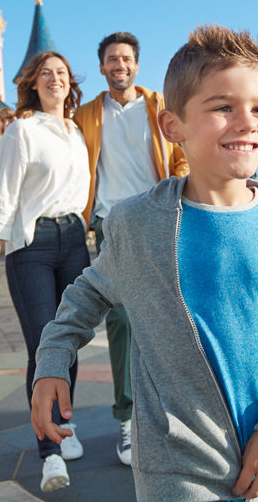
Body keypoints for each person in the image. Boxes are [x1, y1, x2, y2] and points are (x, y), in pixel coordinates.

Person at [31, 25, 258, 501]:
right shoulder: (138, 224)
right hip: (172, 463)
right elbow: (88, 291)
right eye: (223, 107)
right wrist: (53, 358)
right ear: (172, 127)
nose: (246, 122)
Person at [72, 31, 188, 465]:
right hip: (111, 223)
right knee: (120, 319)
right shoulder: (86, 115)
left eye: (125, 58)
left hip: (158, 216)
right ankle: (127, 417)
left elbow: (182, 155)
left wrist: (178, 189)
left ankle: (173, 412)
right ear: (102, 68)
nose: (119, 65)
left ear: (136, 65)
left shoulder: (160, 107)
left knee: (170, 314)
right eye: (111, 59)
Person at [0, 51, 90, 493]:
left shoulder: (77, 132)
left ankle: (63, 422)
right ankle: (50, 455)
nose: (54, 79)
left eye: (61, 73)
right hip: (33, 245)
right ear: (33, 83)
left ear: (69, 83)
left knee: (69, 344)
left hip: (74, 241)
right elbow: (4, 196)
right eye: (46, 73)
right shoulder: (21, 131)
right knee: (43, 347)